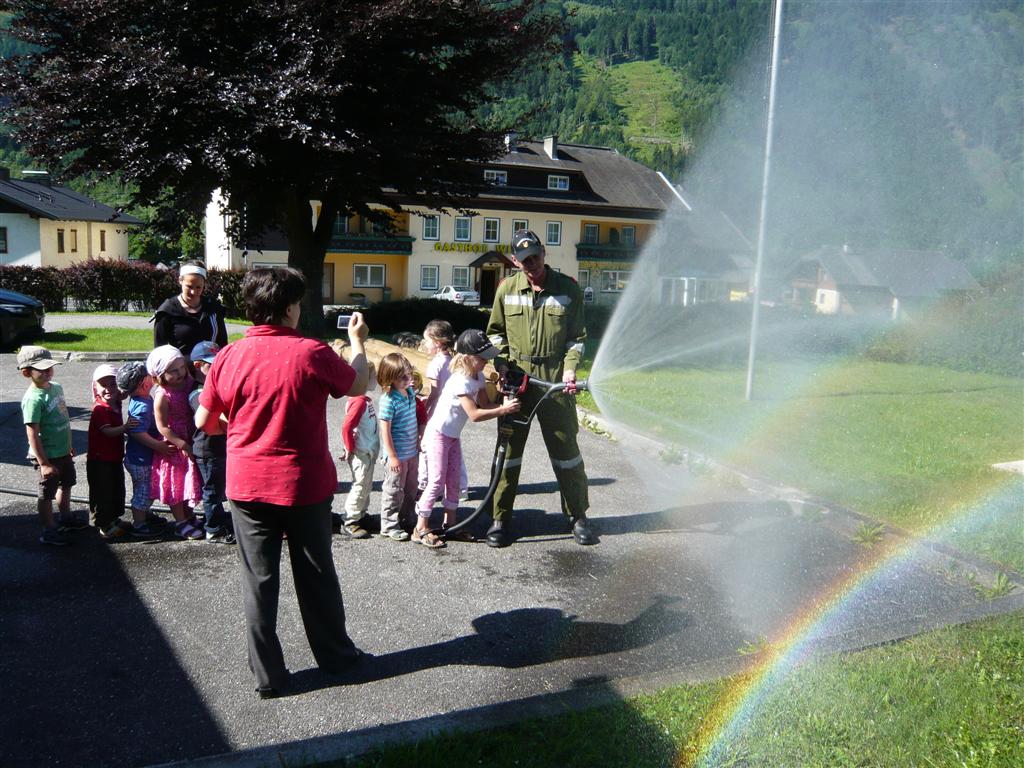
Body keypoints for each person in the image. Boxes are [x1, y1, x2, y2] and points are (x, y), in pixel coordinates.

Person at [194, 266, 370, 699]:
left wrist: (242, 428)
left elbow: (205, 422)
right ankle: (336, 658)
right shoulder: (311, 352)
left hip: (247, 485)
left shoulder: (228, 357)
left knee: (258, 580)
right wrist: (358, 341)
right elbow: (358, 383)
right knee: (316, 575)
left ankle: (268, 676)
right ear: (290, 308)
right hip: (303, 485)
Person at [484, 229, 597, 548]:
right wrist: (502, 364)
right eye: (524, 260)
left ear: (544, 253)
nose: (531, 264)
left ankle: (577, 515)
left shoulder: (567, 289)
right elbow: (495, 334)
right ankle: (500, 518)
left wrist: (570, 369)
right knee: (508, 453)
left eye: (535, 256)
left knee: (566, 451)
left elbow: (577, 338)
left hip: (555, 380)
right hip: (516, 380)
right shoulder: (506, 289)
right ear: (515, 261)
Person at [414, 329, 520, 549]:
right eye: (482, 358)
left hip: (452, 437)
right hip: (438, 435)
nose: (486, 362)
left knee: (453, 481)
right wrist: (503, 410)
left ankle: (451, 525)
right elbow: (474, 415)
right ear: (467, 357)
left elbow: (485, 404)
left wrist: (503, 402)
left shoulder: (477, 376)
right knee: (436, 481)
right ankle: (420, 528)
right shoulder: (460, 381)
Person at [19, 346, 82, 546]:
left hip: (63, 450)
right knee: (46, 493)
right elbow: (32, 434)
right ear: (26, 373)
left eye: (50, 368)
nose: (48, 372)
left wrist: (69, 445)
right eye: (42, 369)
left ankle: (66, 517)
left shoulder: (56, 387)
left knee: (66, 484)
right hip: (46, 455)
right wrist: (44, 463)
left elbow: (64, 419)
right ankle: (49, 529)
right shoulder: (33, 399)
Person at [147, 344, 203, 540]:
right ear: (159, 375)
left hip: (190, 436)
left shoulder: (189, 383)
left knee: (189, 481)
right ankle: (180, 522)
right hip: (174, 445)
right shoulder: (162, 396)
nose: (180, 373)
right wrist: (182, 444)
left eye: (181, 367)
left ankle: (189, 516)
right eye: (173, 371)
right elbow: (162, 427)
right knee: (176, 484)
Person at [117, 361, 173, 538]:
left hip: (138, 457)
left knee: (144, 489)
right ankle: (139, 524)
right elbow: (137, 432)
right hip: (141, 460)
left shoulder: (142, 399)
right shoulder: (142, 406)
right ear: (144, 383)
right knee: (144, 492)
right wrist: (158, 446)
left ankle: (144, 515)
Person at [188, 341, 234, 545]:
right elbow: (212, 418)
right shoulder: (197, 392)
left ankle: (220, 518)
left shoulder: (214, 385)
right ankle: (214, 529)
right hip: (207, 450)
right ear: (198, 366)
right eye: (213, 364)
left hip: (219, 447)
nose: (219, 368)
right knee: (212, 491)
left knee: (219, 488)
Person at [418, 319, 469, 500]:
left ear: (437, 342)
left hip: (437, 413)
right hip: (453, 411)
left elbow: (434, 392)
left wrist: (423, 408)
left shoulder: (436, 364)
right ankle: (461, 487)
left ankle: (426, 484)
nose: (425, 344)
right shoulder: (454, 361)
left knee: (429, 447)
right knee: (454, 448)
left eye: (427, 341)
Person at [87, 364, 138, 540]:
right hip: (100, 460)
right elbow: (107, 432)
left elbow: (124, 393)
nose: (109, 389)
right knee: (103, 492)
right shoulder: (100, 409)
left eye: (113, 384)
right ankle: (104, 524)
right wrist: (125, 427)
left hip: (114, 456)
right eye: (103, 385)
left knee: (116, 489)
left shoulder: (115, 402)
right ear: (95, 387)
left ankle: (113, 519)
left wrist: (124, 388)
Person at [376, 352, 421, 542]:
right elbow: (385, 430)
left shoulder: (409, 392)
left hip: (412, 452)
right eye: (402, 376)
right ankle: (389, 525)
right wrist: (392, 456)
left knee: (411, 488)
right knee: (394, 490)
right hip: (397, 455)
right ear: (389, 378)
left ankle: (406, 517)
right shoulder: (389, 400)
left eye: (408, 373)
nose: (407, 378)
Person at [336, 361, 379, 539]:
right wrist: (349, 447)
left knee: (366, 485)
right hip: (361, 452)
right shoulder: (359, 401)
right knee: (360, 485)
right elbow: (347, 426)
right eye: (373, 376)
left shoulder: (364, 400)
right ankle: (350, 520)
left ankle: (361, 514)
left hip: (368, 451)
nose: (375, 380)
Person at [153, 261, 228, 357]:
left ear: (204, 284)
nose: (193, 292)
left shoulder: (213, 308)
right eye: (189, 286)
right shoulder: (167, 311)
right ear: (180, 281)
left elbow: (223, 345)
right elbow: (159, 353)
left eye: (198, 287)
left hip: (211, 364)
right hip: (181, 365)